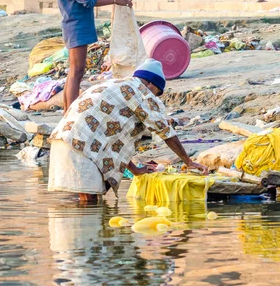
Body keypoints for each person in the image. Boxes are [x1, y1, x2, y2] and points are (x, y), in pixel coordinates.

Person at [48, 58, 209, 202]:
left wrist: (135, 170)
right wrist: (188, 161)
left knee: (89, 199)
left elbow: (114, 144)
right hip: (80, 146)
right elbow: (165, 132)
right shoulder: (141, 93)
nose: (155, 98)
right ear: (150, 84)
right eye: (156, 94)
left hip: (66, 140)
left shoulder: (116, 84)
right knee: (89, 203)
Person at [55, 0, 133, 111]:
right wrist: (116, 1)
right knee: (77, 71)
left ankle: (68, 112)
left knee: (74, 72)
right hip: (76, 25)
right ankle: (71, 115)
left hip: (77, 24)